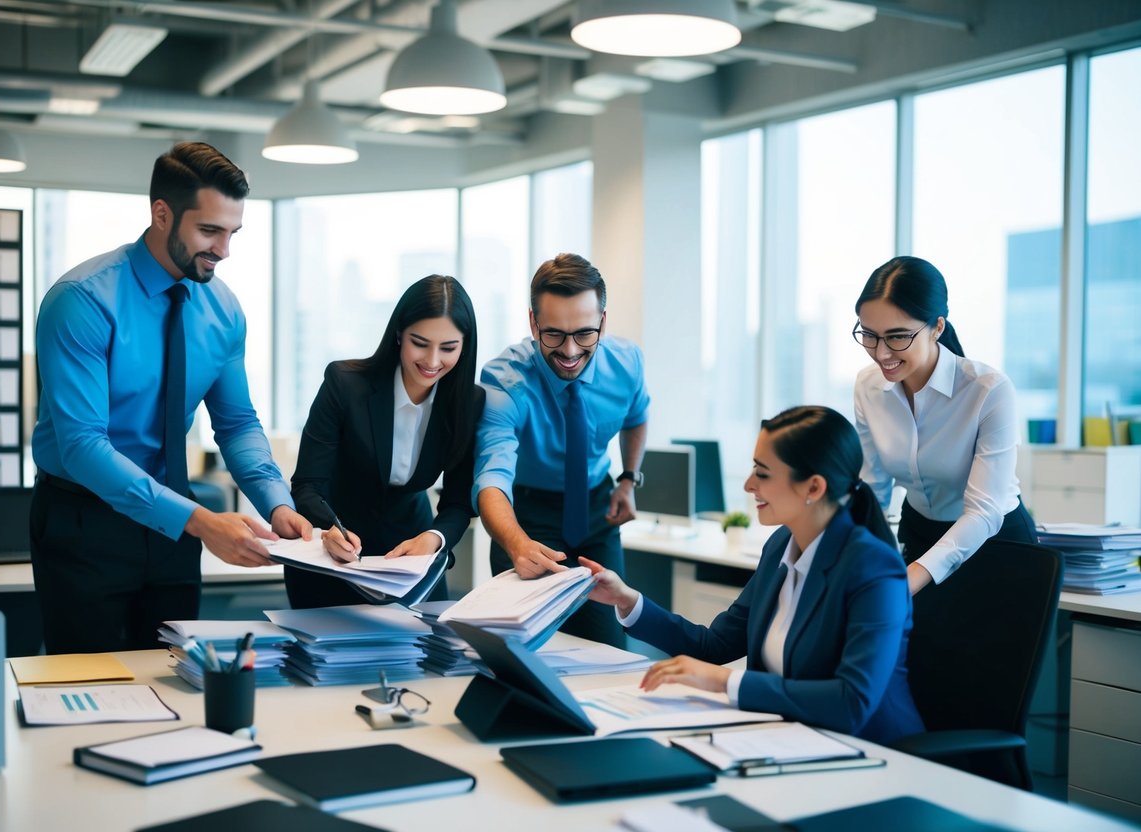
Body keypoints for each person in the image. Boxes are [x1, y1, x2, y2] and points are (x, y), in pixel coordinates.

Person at [31, 142, 311, 654]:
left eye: (232, 232)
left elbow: (237, 422)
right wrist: (202, 523)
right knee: (89, 687)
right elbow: (83, 447)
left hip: (173, 527)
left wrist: (277, 504)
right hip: (84, 521)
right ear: (162, 214)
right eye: (209, 230)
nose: (224, 249)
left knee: (177, 675)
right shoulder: (82, 301)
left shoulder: (223, 309)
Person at [583, 406, 925, 745]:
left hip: (874, 753)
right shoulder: (780, 545)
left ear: (814, 488)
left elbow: (852, 703)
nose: (748, 485)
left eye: (762, 473)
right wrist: (626, 600)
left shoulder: (874, 569)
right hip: (787, 740)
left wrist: (725, 682)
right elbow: (714, 645)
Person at [474, 253, 650, 647]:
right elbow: (492, 477)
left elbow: (637, 416)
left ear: (603, 321)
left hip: (596, 508)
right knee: (520, 647)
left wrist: (628, 479)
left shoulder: (626, 363)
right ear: (533, 322)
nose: (569, 351)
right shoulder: (504, 380)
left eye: (584, 333)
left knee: (607, 647)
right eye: (553, 334)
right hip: (527, 516)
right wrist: (516, 543)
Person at [287, 275, 483, 608]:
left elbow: (458, 502)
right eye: (420, 343)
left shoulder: (469, 403)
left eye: (448, 348)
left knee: (425, 656)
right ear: (399, 334)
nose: (433, 361)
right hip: (336, 554)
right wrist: (329, 529)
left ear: (465, 346)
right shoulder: (344, 384)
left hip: (411, 557)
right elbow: (307, 485)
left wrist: (434, 539)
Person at [852, 255, 1036, 596]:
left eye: (897, 337)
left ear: (937, 327)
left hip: (996, 546)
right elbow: (874, 490)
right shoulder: (868, 386)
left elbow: (983, 512)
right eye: (869, 335)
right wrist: (853, 557)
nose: (880, 353)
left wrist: (910, 579)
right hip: (918, 536)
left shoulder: (988, 390)